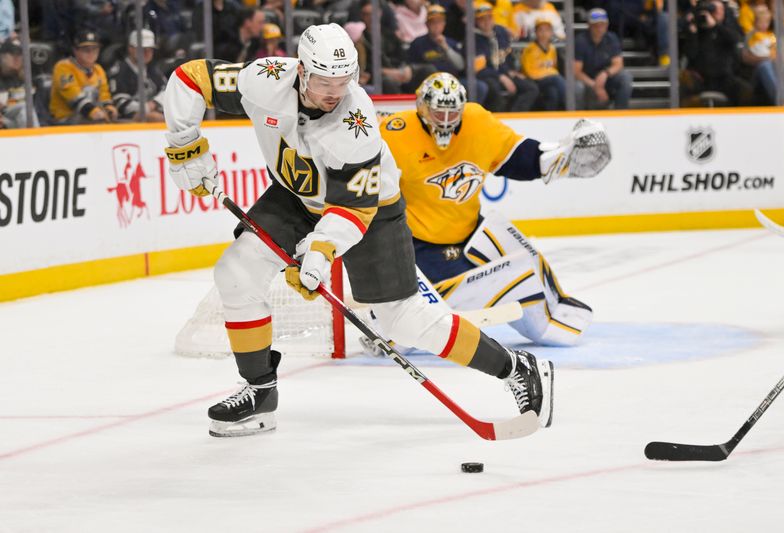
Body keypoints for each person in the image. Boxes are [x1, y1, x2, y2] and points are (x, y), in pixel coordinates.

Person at [162, 23, 554, 437]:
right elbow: (191, 77)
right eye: (324, 81)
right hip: (295, 196)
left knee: (403, 319)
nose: (334, 92)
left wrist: (318, 252)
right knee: (236, 273)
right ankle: (260, 392)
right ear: (301, 72)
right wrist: (184, 146)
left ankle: (516, 367)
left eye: (343, 81)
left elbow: (353, 209)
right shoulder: (267, 77)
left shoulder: (355, 124)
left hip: (371, 211)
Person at [380, 72, 609, 347]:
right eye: (437, 112)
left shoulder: (477, 121)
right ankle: (397, 319)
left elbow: (518, 156)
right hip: (420, 251)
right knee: (520, 279)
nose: (445, 120)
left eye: (452, 113)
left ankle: (556, 311)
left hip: (469, 235)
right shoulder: (394, 132)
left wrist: (559, 156)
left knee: (524, 256)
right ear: (421, 107)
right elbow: (367, 187)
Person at [474, 1, 539, 112]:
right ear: (477, 21)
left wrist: (512, 71)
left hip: (504, 73)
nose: (486, 22)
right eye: (482, 19)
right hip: (487, 76)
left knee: (531, 88)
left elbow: (508, 55)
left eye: (489, 18)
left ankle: (515, 117)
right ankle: (497, 120)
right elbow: (479, 69)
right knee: (494, 91)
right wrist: (501, 77)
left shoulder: (501, 32)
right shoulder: (473, 39)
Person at [50, 30, 118, 124]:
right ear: (75, 50)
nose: (91, 53)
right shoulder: (63, 67)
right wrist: (92, 111)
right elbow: (73, 97)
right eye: (86, 49)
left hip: (92, 118)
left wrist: (109, 107)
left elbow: (104, 94)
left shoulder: (98, 69)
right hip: (65, 120)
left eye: (95, 48)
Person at [574, 8, 633, 109]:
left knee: (625, 77)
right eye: (596, 25)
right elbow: (576, 71)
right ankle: (578, 118)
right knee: (577, 87)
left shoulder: (612, 38)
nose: (599, 28)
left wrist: (605, 73)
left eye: (602, 24)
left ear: (607, 25)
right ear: (589, 25)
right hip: (587, 81)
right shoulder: (580, 41)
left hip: (605, 79)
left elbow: (618, 63)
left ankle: (621, 115)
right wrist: (595, 85)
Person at [108, 30, 168, 122]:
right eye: (142, 49)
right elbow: (120, 104)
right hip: (127, 121)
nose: (147, 53)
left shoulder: (153, 69)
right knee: (154, 118)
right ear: (130, 48)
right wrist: (147, 109)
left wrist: (155, 104)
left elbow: (168, 91)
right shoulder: (120, 70)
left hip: (156, 112)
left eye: (150, 49)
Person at [520, 19, 566, 110]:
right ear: (536, 32)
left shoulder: (552, 49)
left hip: (548, 80)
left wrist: (550, 72)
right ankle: (571, 107)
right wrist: (550, 73)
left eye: (547, 30)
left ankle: (552, 117)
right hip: (533, 81)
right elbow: (529, 72)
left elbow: (553, 66)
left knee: (553, 92)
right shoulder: (530, 49)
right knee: (557, 79)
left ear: (551, 32)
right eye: (541, 30)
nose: (544, 33)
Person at [0, 38, 39, 128]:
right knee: (25, 109)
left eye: (20, 55)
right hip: (5, 121)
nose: (17, 58)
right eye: (13, 55)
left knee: (25, 110)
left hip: (21, 122)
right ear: (2, 56)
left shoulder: (28, 77)